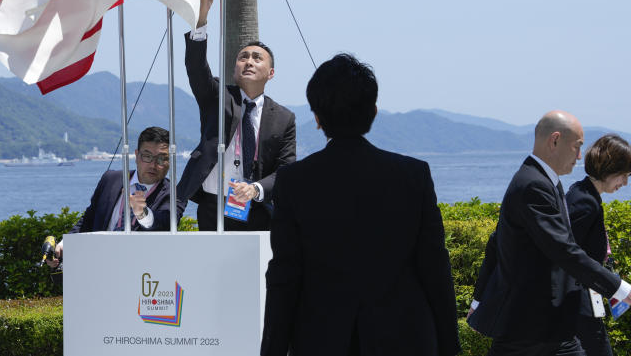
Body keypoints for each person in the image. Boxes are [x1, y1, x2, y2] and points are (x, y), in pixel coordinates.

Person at [261, 54, 459, 356]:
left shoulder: (294, 181)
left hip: (322, 339)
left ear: (316, 117)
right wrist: (449, 345)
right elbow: (435, 268)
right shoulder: (413, 175)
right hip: (406, 338)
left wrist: (272, 350)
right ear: (374, 112)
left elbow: (284, 277)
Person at [469, 111, 631, 356]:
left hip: (548, 325)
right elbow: (564, 249)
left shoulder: (546, 182)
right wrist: (618, 287)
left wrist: (478, 299)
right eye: (577, 147)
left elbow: (497, 242)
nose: (579, 157)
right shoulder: (534, 185)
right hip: (528, 324)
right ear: (555, 140)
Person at [176, 0, 296, 231]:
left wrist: (255, 189)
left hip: (258, 208)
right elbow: (196, 68)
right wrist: (201, 20)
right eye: (243, 57)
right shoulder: (217, 96)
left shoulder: (284, 118)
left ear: (271, 73)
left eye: (257, 58)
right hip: (212, 206)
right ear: (234, 71)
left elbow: (286, 169)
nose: (249, 61)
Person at [50, 127, 176, 264]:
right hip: (97, 263)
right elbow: (88, 220)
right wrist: (64, 246)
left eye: (161, 159)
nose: (153, 165)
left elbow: (163, 224)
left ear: (169, 162)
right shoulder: (110, 179)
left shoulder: (174, 194)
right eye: (147, 156)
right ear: (136, 155)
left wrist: (142, 213)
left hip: (141, 270)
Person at [564, 134, 631, 356]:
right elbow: (568, 254)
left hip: (580, 300)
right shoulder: (585, 203)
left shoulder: (582, 192)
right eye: (624, 175)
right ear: (609, 170)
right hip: (577, 303)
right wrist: (615, 285)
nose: (625, 183)